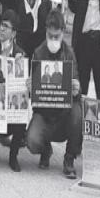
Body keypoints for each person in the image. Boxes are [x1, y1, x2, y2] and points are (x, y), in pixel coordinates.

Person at [25, 10, 83, 178]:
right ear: (46, 32)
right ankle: (45, 149)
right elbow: (33, 99)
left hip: (64, 114)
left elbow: (77, 93)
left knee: (78, 113)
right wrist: (30, 88)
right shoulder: (38, 53)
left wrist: (76, 88)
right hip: (44, 113)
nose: (53, 40)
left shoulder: (69, 53)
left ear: (63, 33)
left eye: (56, 36)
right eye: (50, 35)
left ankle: (69, 158)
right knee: (32, 141)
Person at [0, 10, 29, 171]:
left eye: (6, 27)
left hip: (10, 111)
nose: (2, 29)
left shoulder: (20, 53)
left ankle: (13, 156)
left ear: (14, 32)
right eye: (1, 25)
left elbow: (24, 87)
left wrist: (20, 66)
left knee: (21, 117)